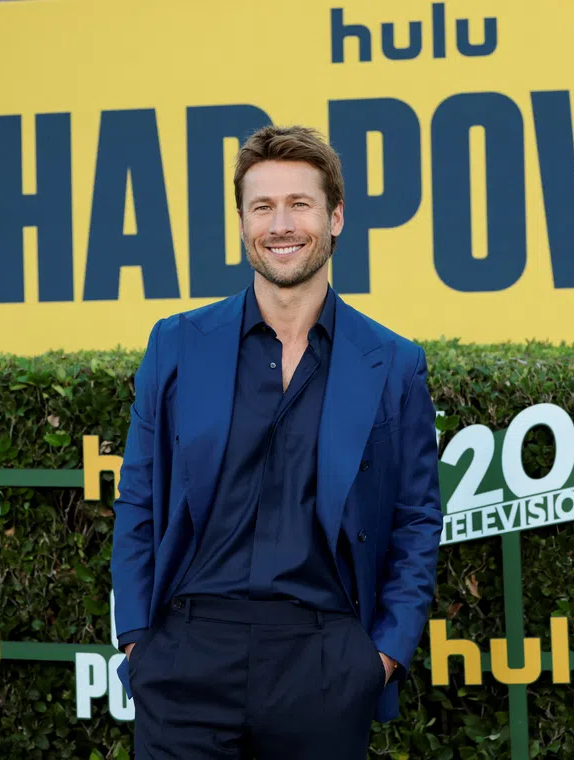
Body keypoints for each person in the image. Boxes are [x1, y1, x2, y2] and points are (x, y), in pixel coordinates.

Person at [110, 124, 443, 759]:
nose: (280, 224)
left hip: (324, 662)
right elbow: (139, 499)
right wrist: (137, 641)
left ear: (336, 216)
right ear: (241, 223)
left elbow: (416, 517)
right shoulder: (177, 344)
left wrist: (381, 657)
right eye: (262, 206)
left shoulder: (393, 363)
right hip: (185, 657)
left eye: (300, 204)